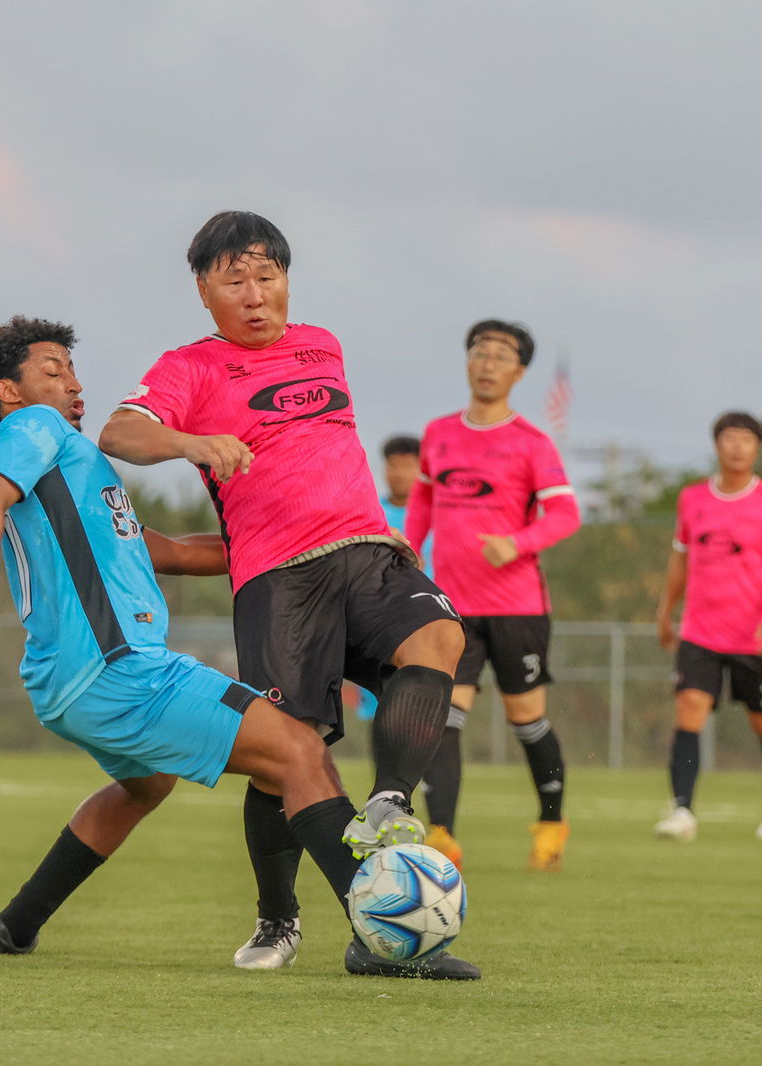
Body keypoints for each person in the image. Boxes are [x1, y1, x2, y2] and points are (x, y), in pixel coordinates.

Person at [0, 315, 475, 979]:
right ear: (8, 392)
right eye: (52, 371)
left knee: (142, 787)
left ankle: (15, 925)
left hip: (68, 685)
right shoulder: (31, 429)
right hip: (120, 669)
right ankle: (378, 939)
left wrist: (307, 532)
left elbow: (173, 552)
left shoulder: (75, 474)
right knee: (298, 750)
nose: (74, 384)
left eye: (73, 370)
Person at [99, 211, 473, 976]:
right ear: (204, 289)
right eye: (235, 279)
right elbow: (118, 433)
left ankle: (391, 803)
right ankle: (278, 918)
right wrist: (190, 441)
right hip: (278, 575)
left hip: (368, 550)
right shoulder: (189, 367)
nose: (256, 293)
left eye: (268, 275)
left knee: (441, 641)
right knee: (287, 752)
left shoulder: (322, 343)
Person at [404, 319, 581, 872]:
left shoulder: (532, 442)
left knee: (527, 720)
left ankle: (551, 824)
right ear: (467, 361)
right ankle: (443, 836)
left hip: (517, 607)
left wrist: (519, 543)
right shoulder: (438, 433)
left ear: (520, 372)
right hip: (452, 606)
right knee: (444, 718)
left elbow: (566, 513)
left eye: (501, 355)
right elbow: (423, 506)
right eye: (480, 351)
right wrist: (407, 553)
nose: (487, 362)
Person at [654, 412, 762, 842]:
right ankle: (681, 810)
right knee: (689, 710)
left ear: (757, 448)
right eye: (729, 438)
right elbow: (680, 560)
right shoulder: (692, 499)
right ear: (716, 445)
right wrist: (666, 611)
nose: (737, 446)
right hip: (699, 632)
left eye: (745, 439)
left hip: (752, 638)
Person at [360, 436, 462, 868]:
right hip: (383, 631)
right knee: (384, 724)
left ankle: (442, 831)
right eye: (393, 465)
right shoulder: (371, 512)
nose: (400, 473)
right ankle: (384, 809)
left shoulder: (440, 517)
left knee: (433, 724)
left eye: (408, 465)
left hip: (432, 633)